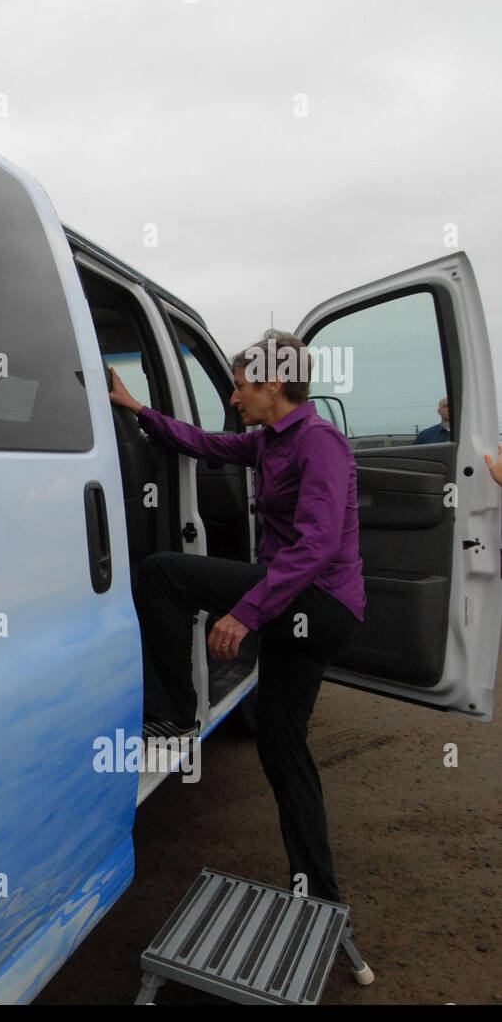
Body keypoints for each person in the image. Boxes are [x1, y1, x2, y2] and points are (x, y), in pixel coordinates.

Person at [109, 330, 365, 904]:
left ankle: (174, 714)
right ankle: (319, 891)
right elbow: (205, 444)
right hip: (301, 602)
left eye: (241, 385)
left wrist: (245, 614)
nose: (233, 397)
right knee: (281, 744)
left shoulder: (319, 441)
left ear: (275, 383)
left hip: (318, 602)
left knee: (162, 573)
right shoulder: (269, 441)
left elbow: (317, 543)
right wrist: (137, 410)